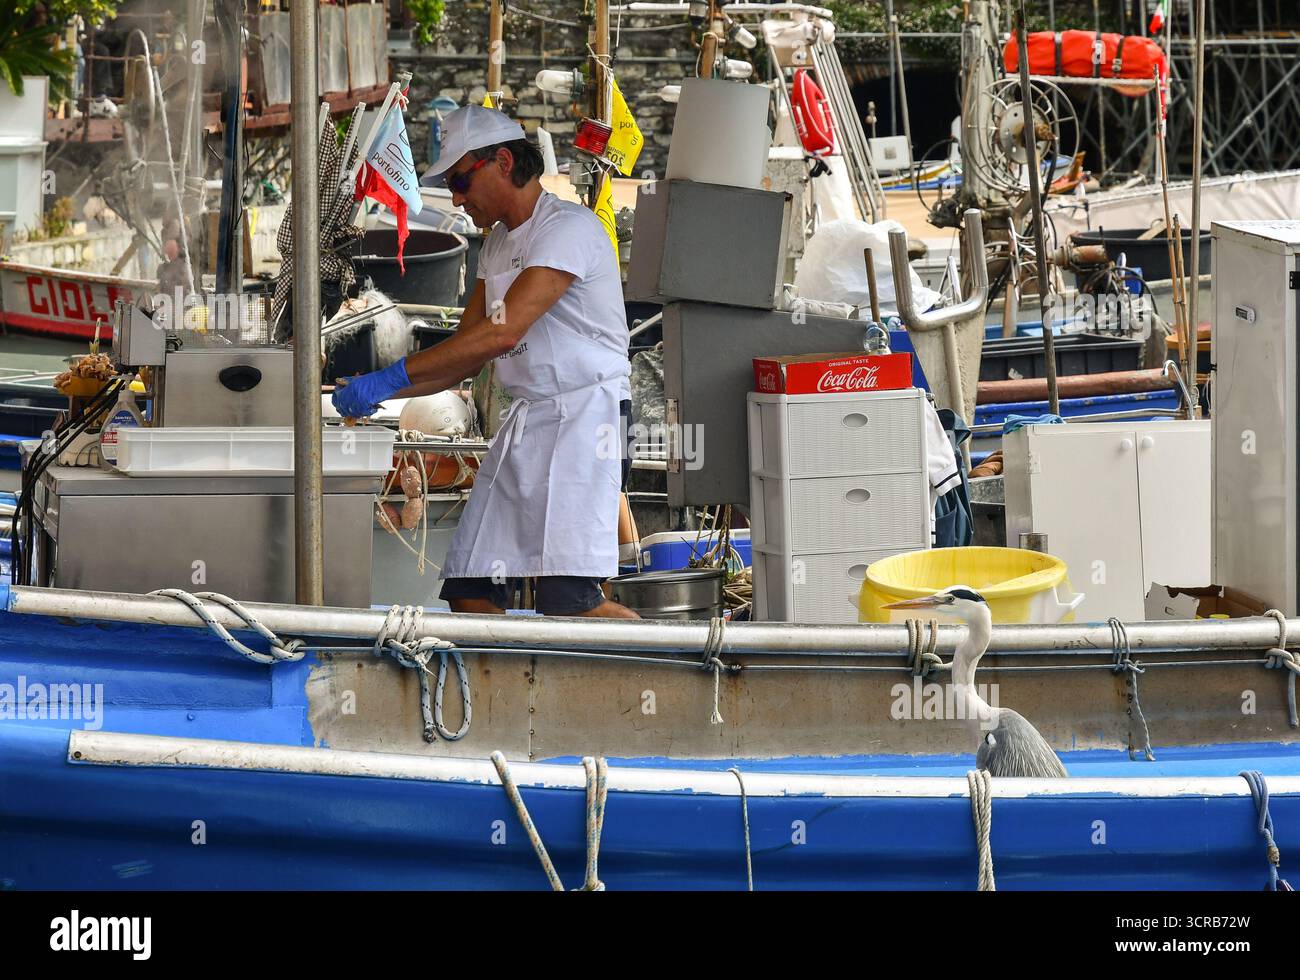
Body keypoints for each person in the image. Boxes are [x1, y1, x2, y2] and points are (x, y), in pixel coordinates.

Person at [332, 105, 638, 619]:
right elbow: (462, 356)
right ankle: (509, 694)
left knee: (571, 603)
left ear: (501, 161)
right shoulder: (495, 245)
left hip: (587, 420)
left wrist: (393, 377)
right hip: (529, 423)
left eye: (459, 180)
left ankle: (665, 675)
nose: (455, 198)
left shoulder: (569, 228)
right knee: (469, 589)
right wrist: (380, 388)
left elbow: (501, 332)